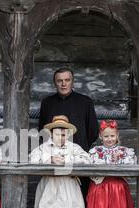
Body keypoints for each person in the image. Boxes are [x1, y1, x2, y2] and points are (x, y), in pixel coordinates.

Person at [29, 115, 91, 208]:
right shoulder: (44, 148)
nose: (61, 136)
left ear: (68, 134)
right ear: (51, 133)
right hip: (50, 187)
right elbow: (31, 159)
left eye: (64, 134)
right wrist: (50, 159)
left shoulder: (74, 148)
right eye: (58, 133)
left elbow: (86, 159)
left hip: (69, 186)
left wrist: (67, 160)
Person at [38, 67, 99, 196]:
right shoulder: (47, 103)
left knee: (80, 196)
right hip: (54, 159)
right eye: (59, 80)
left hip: (78, 158)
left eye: (67, 80)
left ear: (73, 81)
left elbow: (93, 130)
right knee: (53, 196)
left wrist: (79, 144)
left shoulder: (85, 102)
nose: (63, 83)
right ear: (55, 83)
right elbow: (42, 131)